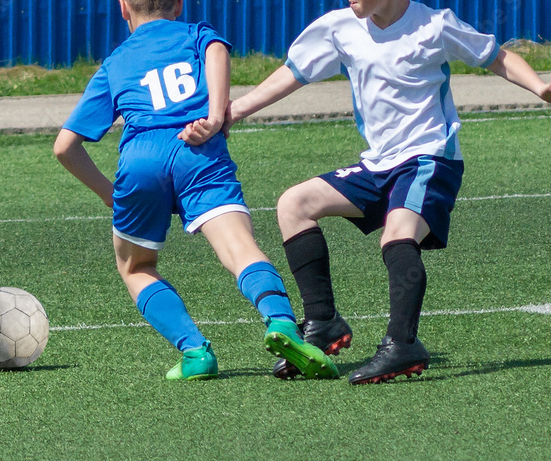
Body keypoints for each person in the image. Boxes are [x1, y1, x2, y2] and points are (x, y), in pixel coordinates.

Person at [182, 0, 551, 384]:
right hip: (377, 165)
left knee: (397, 235)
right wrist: (229, 114)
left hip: (429, 159)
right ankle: (323, 323)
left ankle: (404, 344)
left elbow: (496, 56)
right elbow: (293, 72)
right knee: (293, 204)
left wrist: (540, 88)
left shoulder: (434, 25)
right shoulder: (340, 27)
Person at [54, 0, 339, 381]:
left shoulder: (114, 63)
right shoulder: (197, 34)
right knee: (239, 248)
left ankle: (194, 351)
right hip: (198, 150)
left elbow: (64, 147)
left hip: (141, 160)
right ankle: (283, 324)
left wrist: (110, 194)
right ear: (178, 5)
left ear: (124, 8)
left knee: (136, 267)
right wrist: (217, 116)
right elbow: (216, 51)